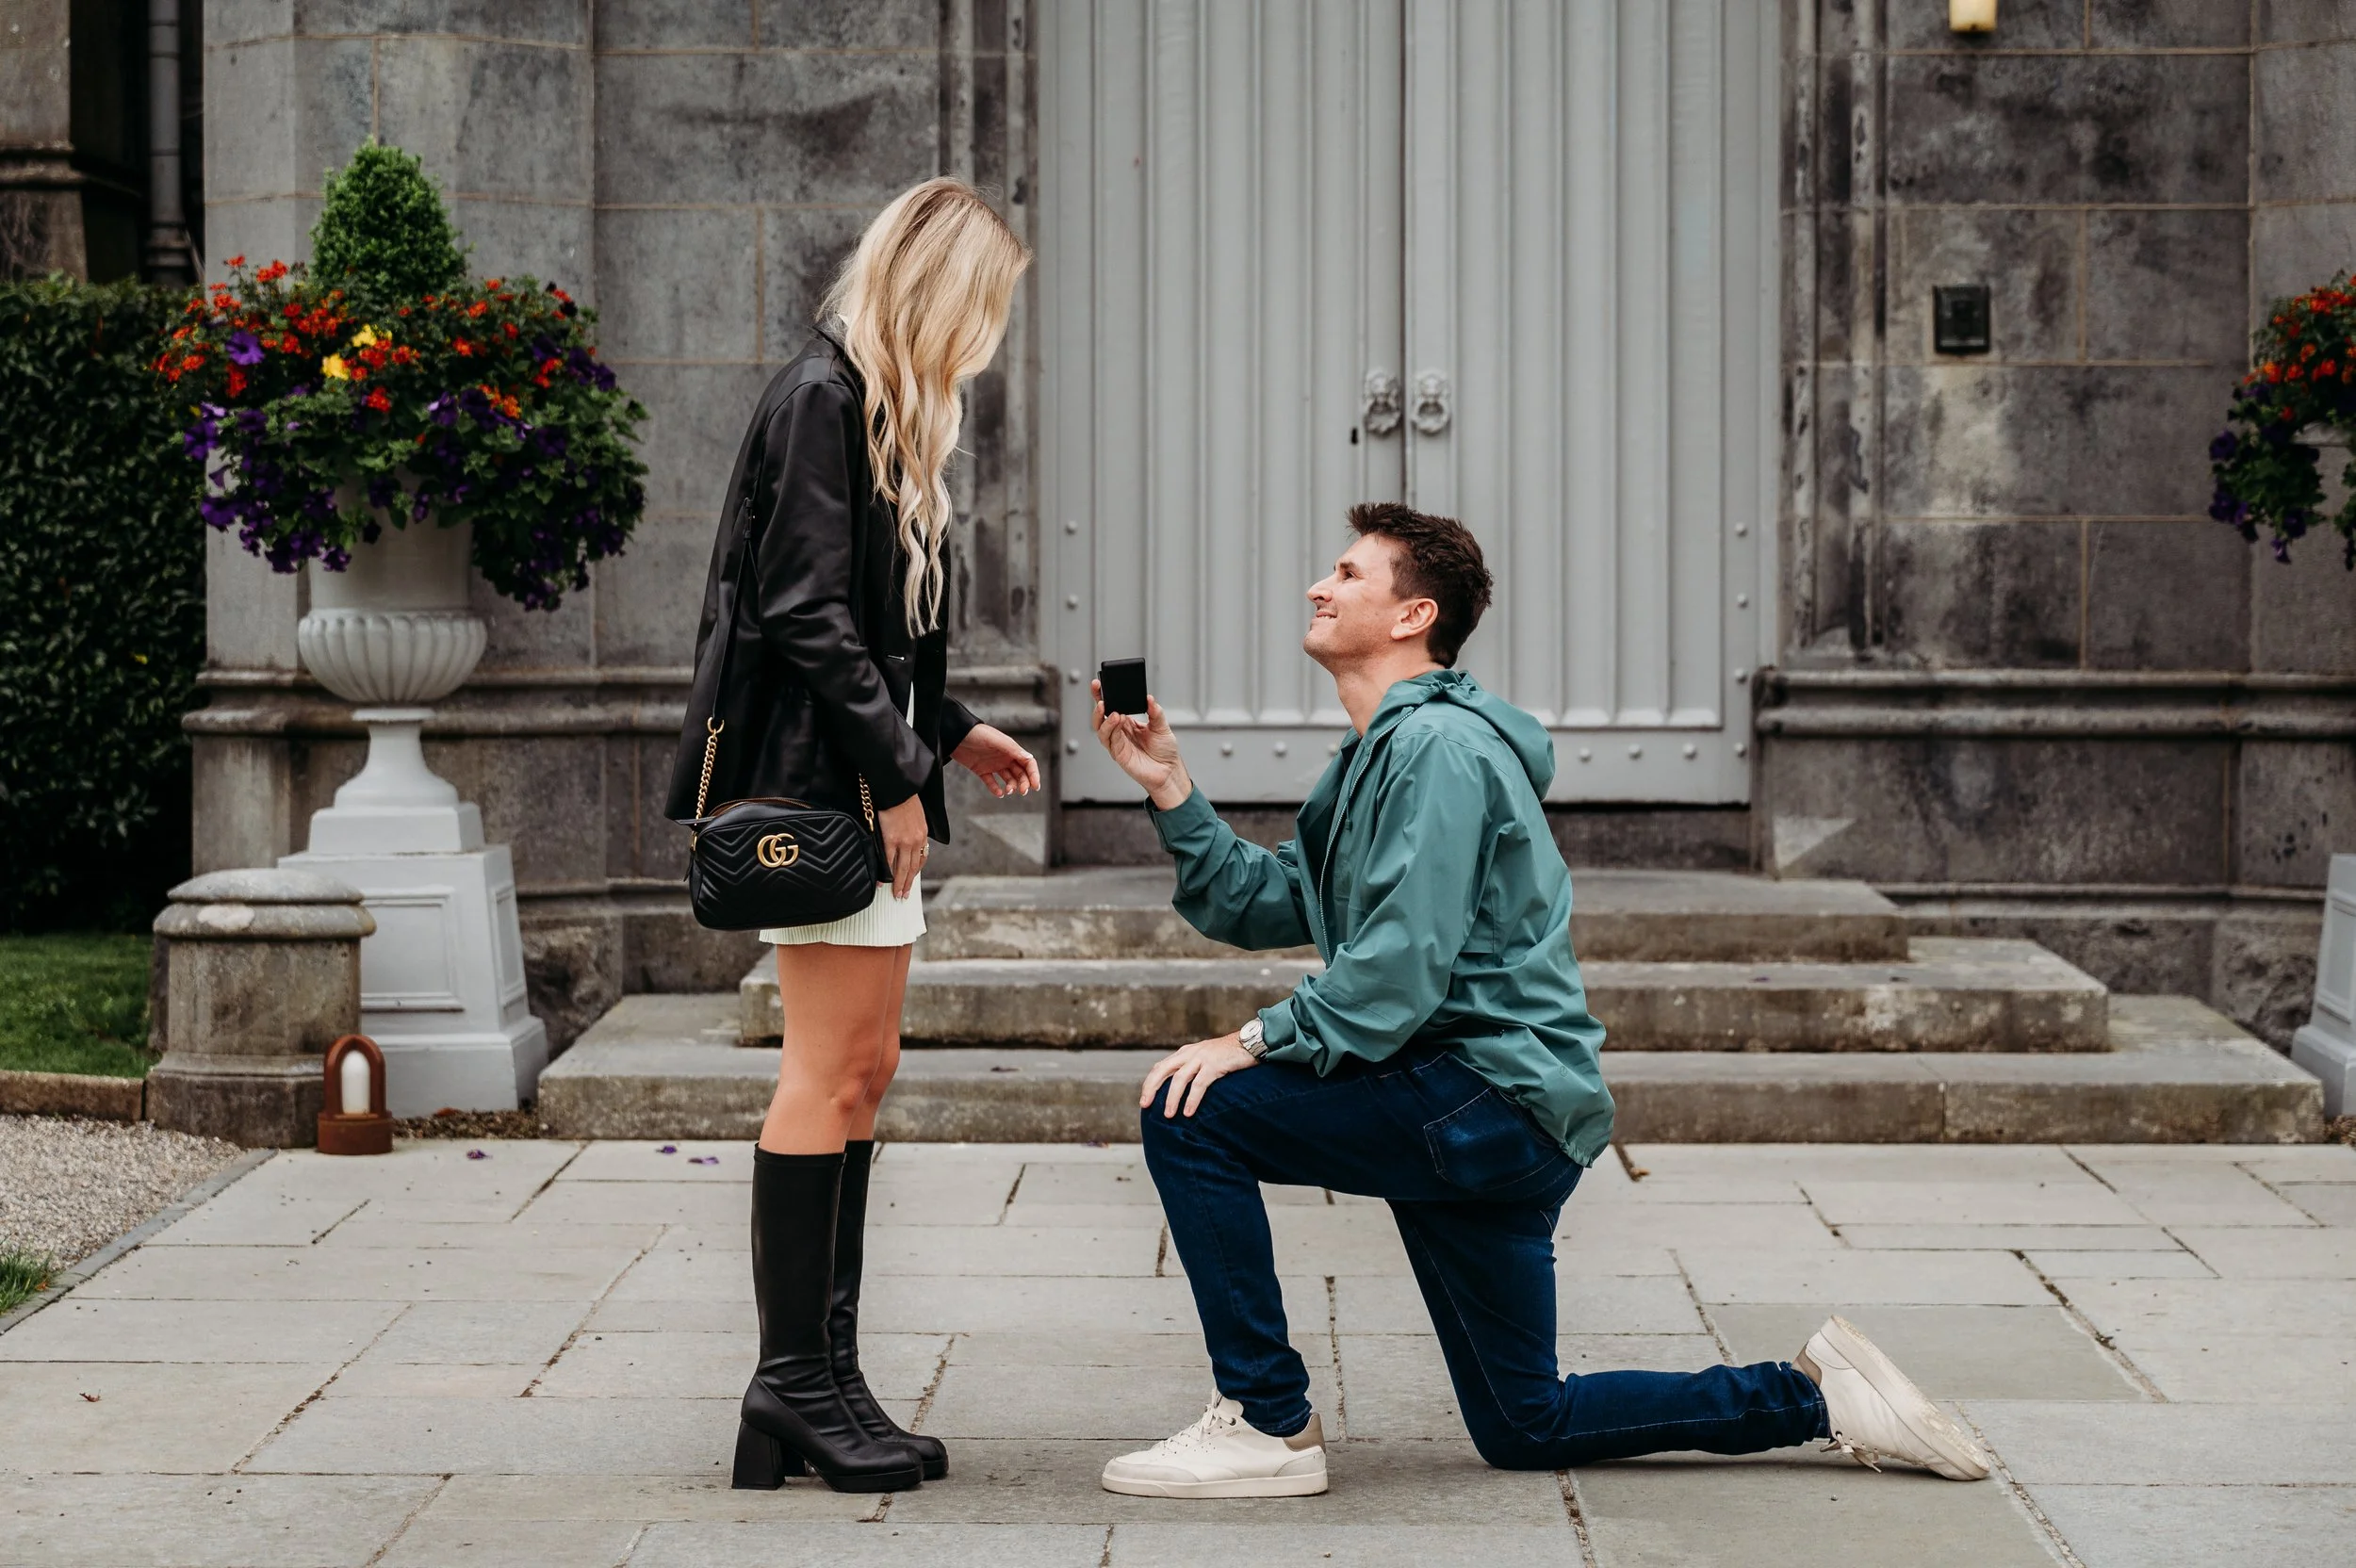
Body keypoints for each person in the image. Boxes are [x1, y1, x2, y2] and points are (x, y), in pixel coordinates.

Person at [1087, 501, 1992, 1497]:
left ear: (1410, 615)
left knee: (1195, 1110)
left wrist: (1255, 1038)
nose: (1319, 585)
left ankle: (1264, 1421)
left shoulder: (1436, 750)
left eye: (1348, 572)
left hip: (1482, 1096)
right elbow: (1261, 900)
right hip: (1499, 1109)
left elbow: (1396, 968)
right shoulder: (1379, 758)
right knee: (1526, 1420)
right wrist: (1171, 787)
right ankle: (1814, 1395)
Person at [667, 178, 1039, 1494]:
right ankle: (791, 1382)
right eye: (985, 301)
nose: (991, 333)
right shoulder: (823, 399)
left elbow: (873, 627)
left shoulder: (876, 414)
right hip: (819, 794)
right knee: (826, 1071)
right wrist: (894, 773)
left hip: (859, 777)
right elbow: (806, 614)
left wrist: (948, 730)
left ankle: (826, 1380)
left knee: (863, 1068)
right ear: (937, 291)